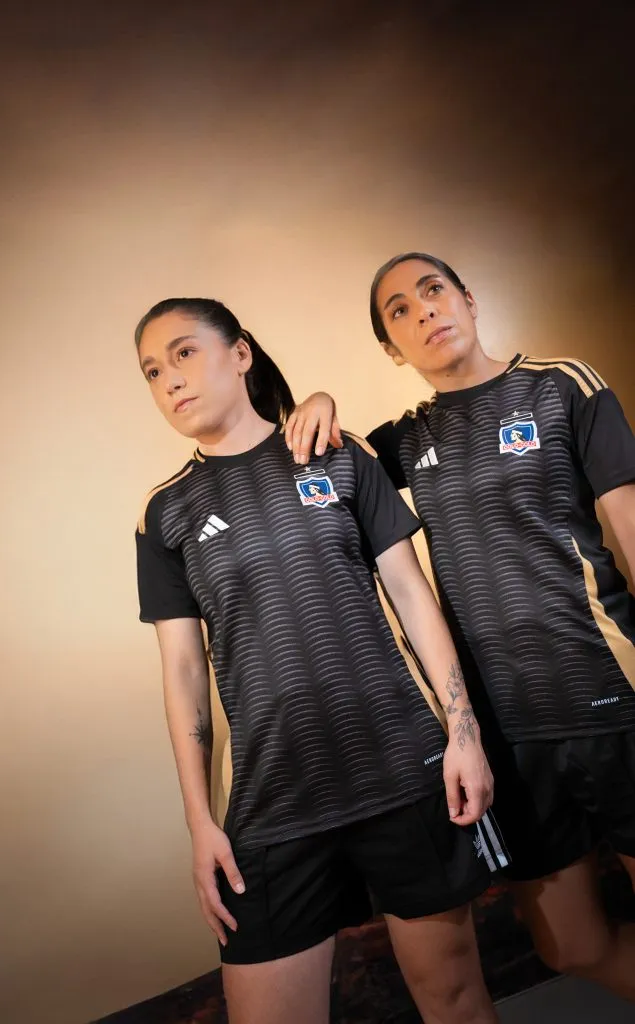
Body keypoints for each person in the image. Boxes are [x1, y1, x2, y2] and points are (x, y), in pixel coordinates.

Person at [133, 296, 501, 1024]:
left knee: (455, 999)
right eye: (150, 371)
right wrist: (201, 823)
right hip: (272, 806)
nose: (168, 380)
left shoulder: (339, 452)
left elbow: (412, 598)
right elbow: (181, 676)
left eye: (183, 353)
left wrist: (463, 733)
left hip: (402, 770)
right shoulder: (164, 511)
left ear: (239, 353)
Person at [286, 251, 635, 999]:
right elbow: (316, 472)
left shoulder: (560, 386)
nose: (424, 313)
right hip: (506, 734)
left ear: (470, 300)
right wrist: (315, 398)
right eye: (399, 311)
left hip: (611, 694)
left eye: (433, 292)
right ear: (390, 346)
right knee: (570, 944)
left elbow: (629, 528)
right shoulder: (403, 441)